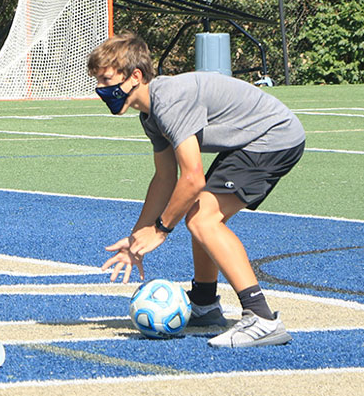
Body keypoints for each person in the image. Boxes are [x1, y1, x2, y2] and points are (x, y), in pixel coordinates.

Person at [88, 32, 305, 348]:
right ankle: (204, 304)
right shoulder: (151, 116)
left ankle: (262, 318)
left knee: (202, 219)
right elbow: (164, 178)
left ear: (135, 76)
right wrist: (138, 236)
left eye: (107, 80)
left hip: (274, 137)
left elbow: (192, 178)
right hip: (250, 140)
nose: (101, 90)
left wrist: (161, 230)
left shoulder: (168, 101)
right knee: (198, 213)